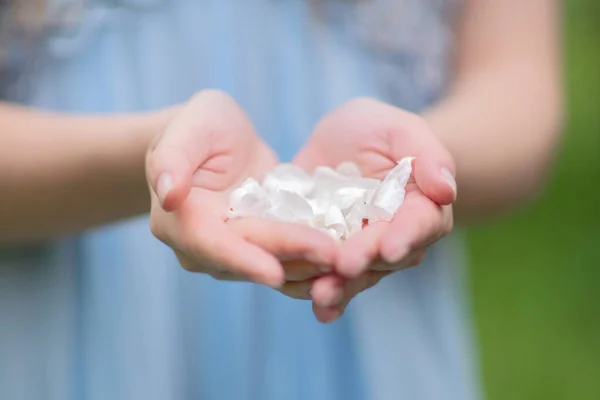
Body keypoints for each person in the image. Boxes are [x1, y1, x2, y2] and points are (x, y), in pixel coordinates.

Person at [0, 1, 562, 399]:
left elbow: (517, 95)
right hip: (73, 311)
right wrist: (151, 158)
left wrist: (413, 167)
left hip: (377, 325)